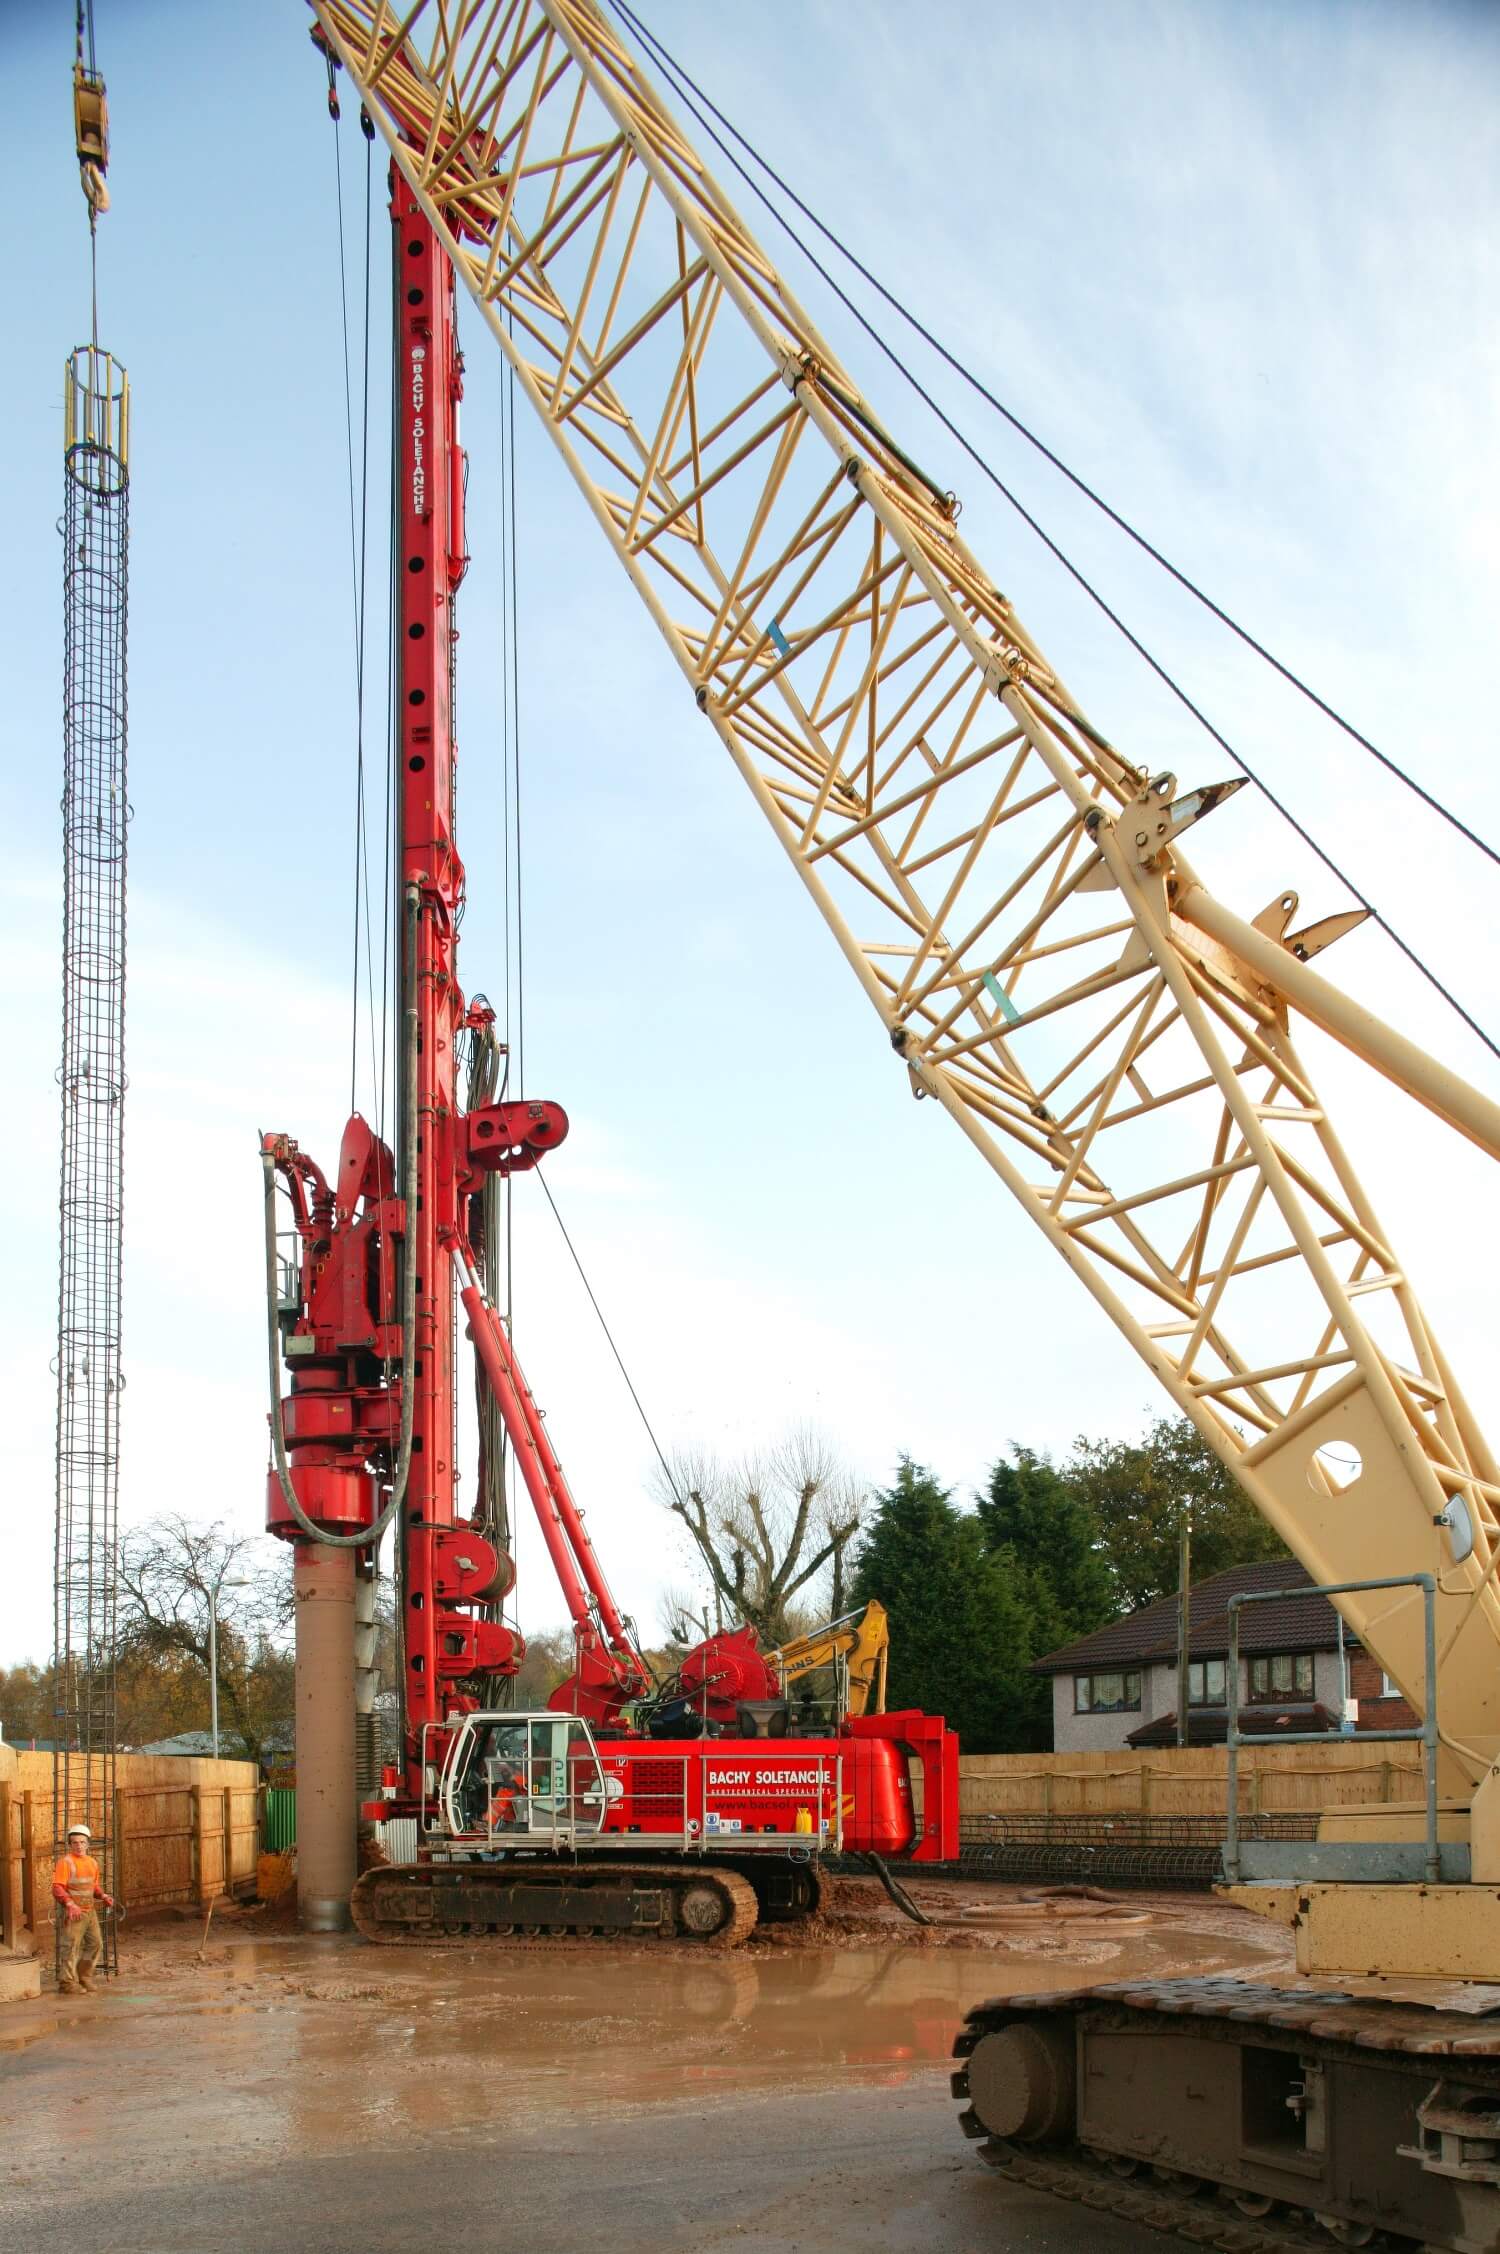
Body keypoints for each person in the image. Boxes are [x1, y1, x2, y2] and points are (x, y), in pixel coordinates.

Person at [52, 1823, 114, 1995]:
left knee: (96, 1944)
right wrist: (70, 1904)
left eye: (82, 1842)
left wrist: (103, 1896)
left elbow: (93, 1886)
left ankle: (84, 1976)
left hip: (89, 1911)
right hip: (72, 1912)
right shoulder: (66, 1862)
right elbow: (57, 1887)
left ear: (88, 1843)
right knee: (70, 1947)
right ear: (70, 1844)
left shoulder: (92, 1863)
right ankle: (67, 1983)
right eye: (75, 1842)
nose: (79, 1845)